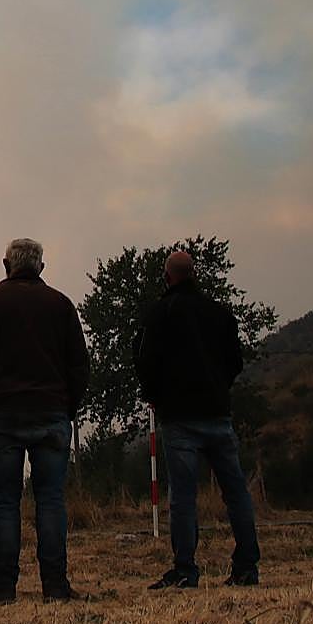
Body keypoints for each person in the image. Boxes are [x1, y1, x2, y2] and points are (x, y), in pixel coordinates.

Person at [0, 238, 90, 605]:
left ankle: (2, 588)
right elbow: (79, 364)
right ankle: (56, 586)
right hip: (50, 412)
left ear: (6, 265)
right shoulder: (61, 304)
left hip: (0, 415)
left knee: (4, 502)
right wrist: (68, 406)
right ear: (42, 268)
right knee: (51, 500)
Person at [134, 250, 261, 589]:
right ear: (195, 274)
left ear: (167, 277)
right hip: (218, 413)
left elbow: (144, 360)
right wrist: (219, 387)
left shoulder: (160, 314)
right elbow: (235, 360)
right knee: (236, 493)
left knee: (183, 497)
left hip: (179, 417)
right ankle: (247, 566)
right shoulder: (219, 313)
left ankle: (186, 569)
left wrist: (155, 395)